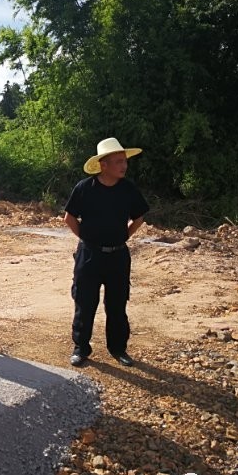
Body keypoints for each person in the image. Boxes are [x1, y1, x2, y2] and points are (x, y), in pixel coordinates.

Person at [64, 137, 149, 368]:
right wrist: (85, 237)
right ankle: (81, 348)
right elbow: (69, 217)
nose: (124, 166)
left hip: (118, 256)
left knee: (117, 304)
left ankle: (118, 348)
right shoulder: (84, 188)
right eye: (118, 162)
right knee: (85, 302)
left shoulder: (128, 189)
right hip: (89, 255)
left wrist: (124, 236)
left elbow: (139, 217)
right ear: (104, 165)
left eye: (124, 161)